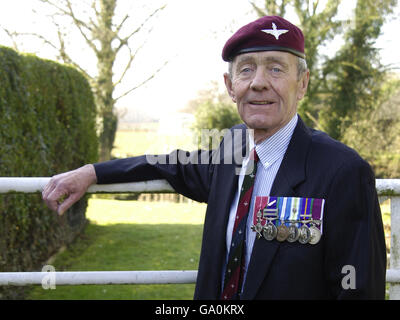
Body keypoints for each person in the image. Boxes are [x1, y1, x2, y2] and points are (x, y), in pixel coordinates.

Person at [42, 15, 386, 299]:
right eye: (246, 69)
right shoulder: (233, 146)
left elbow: (357, 288)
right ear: (229, 84)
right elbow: (171, 163)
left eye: (276, 69)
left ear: (304, 83)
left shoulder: (342, 172)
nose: (259, 83)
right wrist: (93, 172)